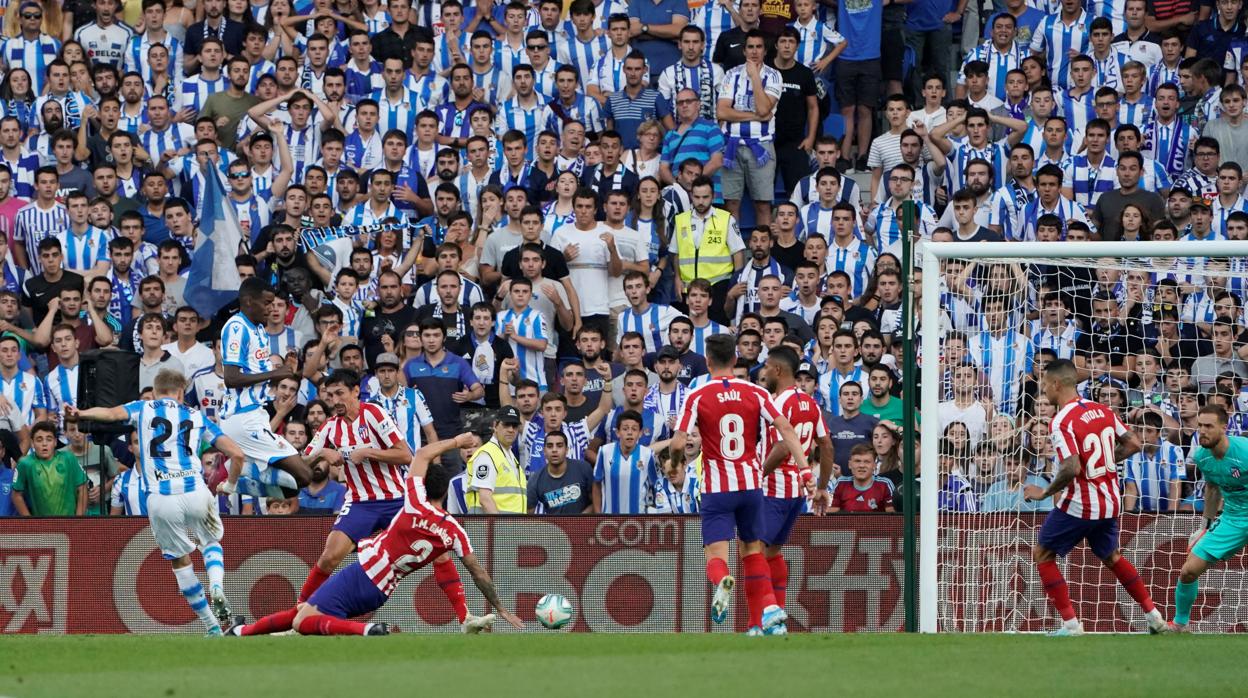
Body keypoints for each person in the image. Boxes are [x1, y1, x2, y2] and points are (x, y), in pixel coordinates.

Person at [228, 433, 523, 637]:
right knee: (304, 611)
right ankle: (240, 632)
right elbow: (478, 572)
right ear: (445, 492)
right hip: (382, 591)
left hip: (365, 573)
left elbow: (420, 454)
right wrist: (500, 608)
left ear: (423, 486)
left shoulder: (413, 502)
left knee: (304, 621)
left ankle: (367, 630)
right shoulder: (453, 531)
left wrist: (457, 441)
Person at [67, 369, 247, 635]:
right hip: (195, 492)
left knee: (179, 560)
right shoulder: (196, 415)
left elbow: (111, 414)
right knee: (210, 542)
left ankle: (211, 626)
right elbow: (238, 454)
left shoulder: (143, 408)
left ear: (155, 390)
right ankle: (217, 586)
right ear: (181, 392)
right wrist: (229, 485)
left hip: (161, 499)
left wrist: (81, 414)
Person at [667, 333, 809, 635]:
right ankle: (766, 613)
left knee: (716, 555)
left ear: (707, 361)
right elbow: (785, 427)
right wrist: (805, 469)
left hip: (718, 488)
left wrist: (675, 463)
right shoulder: (755, 392)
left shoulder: (697, 395)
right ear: (735, 358)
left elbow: (679, 440)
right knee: (753, 551)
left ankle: (722, 581)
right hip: (751, 485)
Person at [1024, 358, 1166, 635]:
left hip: (1082, 503)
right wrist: (1103, 462)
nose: (1043, 391)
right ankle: (1155, 617)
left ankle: (1071, 624)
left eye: (1044, 385)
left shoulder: (1061, 421)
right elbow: (1135, 443)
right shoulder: (1102, 409)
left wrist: (1044, 493)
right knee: (1111, 556)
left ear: (1055, 384)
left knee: (1042, 553)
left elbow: (1071, 467)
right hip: (1111, 500)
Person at [291, 369, 423, 610]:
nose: (335, 401)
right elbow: (301, 461)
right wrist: (322, 452)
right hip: (360, 502)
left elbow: (406, 455)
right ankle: (297, 612)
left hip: (395, 498)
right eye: (330, 395)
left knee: (436, 550)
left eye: (340, 393)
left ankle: (465, 615)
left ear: (355, 391)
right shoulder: (330, 427)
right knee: (329, 557)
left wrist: (367, 452)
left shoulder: (374, 413)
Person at [216, 277, 309, 500]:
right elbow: (231, 377)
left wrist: (287, 368)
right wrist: (276, 373)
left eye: (274, 303)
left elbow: (260, 373)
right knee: (304, 476)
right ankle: (241, 473)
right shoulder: (237, 327)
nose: (271, 309)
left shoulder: (258, 329)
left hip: (256, 415)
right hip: (242, 418)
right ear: (248, 301)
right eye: (266, 303)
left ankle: (242, 475)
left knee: (291, 488)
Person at [758, 347, 834, 612]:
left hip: (773, 489)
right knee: (772, 553)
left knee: (754, 554)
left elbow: (781, 448)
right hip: (796, 493)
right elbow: (826, 444)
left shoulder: (778, 403)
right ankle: (778, 611)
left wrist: (758, 476)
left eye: (767, 366)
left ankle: (765, 616)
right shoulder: (810, 403)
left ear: (778, 370)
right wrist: (822, 487)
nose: (763, 371)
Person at [1166, 404, 1248, 632]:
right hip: (1233, 518)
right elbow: (1212, 489)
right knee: (1189, 570)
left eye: (1209, 426)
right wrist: (1205, 525)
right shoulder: (1202, 456)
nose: (1202, 431)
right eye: (1200, 425)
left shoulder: (1244, 451)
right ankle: (1180, 623)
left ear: (1224, 427)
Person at [11, 421, 86, 517]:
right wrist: (29, 521)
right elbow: (16, 495)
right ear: (32, 443)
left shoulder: (69, 458)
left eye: (49, 439)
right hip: (41, 527)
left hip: (70, 524)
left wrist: (79, 520)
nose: (44, 444)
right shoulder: (25, 463)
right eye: (39, 440)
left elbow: (83, 488)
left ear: (55, 442)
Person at [465, 405, 526, 513]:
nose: (511, 429)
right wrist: (500, 528)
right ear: (495, 425)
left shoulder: (509, 456)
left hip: (512, 528)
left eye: (515, 425)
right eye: (506, 425)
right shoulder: (487, 455)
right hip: (490, 528)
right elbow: (485, 499)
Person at [527, 430, 595, 514]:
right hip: (554, 526)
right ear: (544, 451)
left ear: (566, 450)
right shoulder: (536, 479)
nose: (554, 450)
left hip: (584, 525)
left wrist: (580, 519)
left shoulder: (584, 468)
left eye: (559, 446)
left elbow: (596, 502)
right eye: (550, 446)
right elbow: (528, 514)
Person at [830, 443, 897, 512]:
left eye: (867, 462)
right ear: (850, 464)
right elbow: (832, 513)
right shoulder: (841, 483)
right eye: (857, 461)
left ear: (874, 465)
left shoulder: (885, 484)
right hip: (848, 523)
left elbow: (892, 516)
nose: (862, 465)